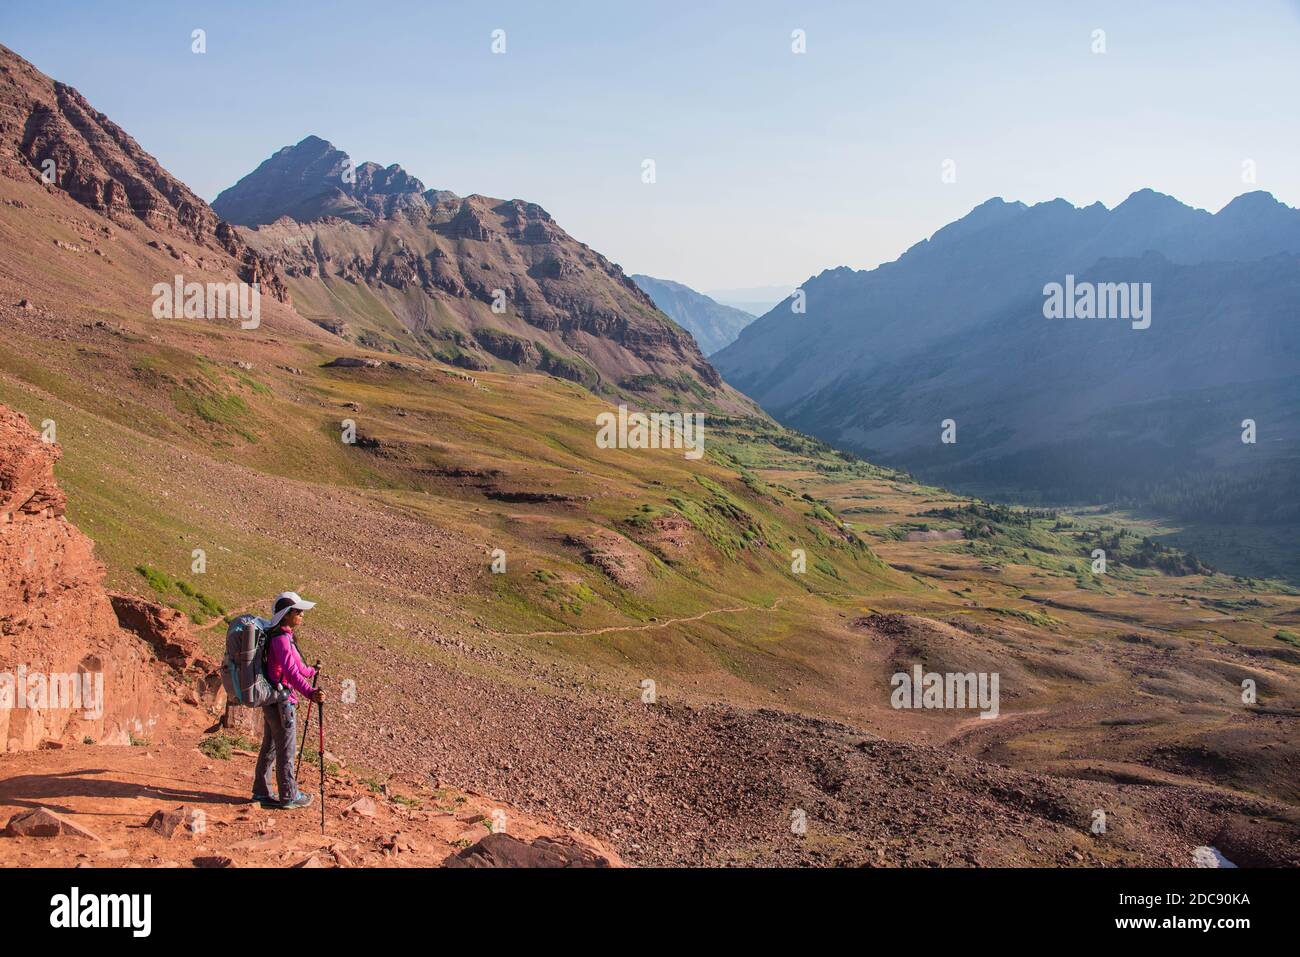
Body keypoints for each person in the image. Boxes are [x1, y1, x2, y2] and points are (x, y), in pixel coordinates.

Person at [252, 591, 323, 809]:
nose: (302, 614)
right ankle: (289, 796)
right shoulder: (282, 639)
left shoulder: (283, 636)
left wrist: (311, 671)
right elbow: (291, 673)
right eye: (297, 611)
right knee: (286, 749)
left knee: (271, 747)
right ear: (285, 614)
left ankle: (261, 792)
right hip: (282, 700)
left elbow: (297, 666)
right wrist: (310, 693)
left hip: (273, 698)